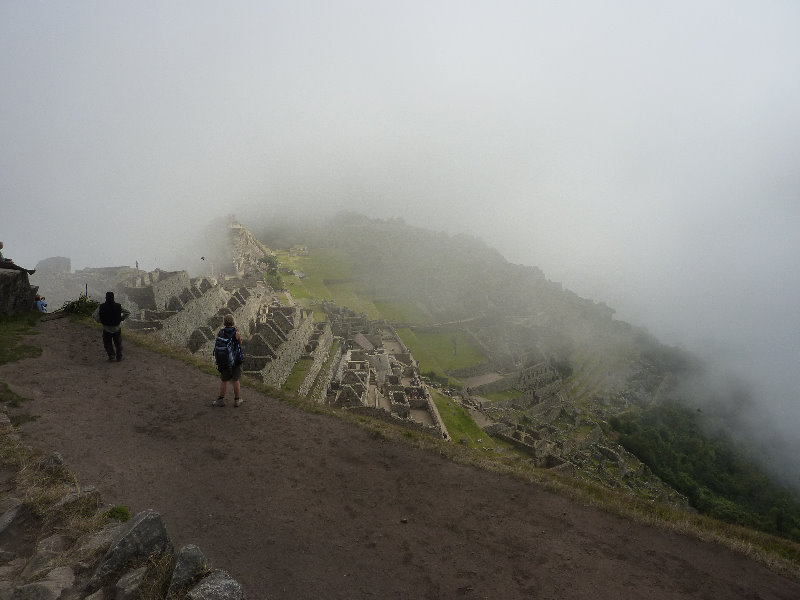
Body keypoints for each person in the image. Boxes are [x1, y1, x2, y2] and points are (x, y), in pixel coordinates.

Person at [214, 314, 244, 407]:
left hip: (224, 360)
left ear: (224, 322)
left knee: (224, 380)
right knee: (236, 380)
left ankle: (220, 400)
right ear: (233, 322)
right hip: (235, 360)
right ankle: (237, 400)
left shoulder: (220, 332)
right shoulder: (236, 333)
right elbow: (240, 343)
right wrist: (237, 333)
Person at [92, 291, 130, 362]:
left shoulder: (101, 306)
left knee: (107, 343)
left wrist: (100, 321)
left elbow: (94, 315)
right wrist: (121, 318)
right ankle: (119, 357)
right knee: (118, 343)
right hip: (117, 328)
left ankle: (111, 355)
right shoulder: (118, 306)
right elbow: (127, 313)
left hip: (106, 328)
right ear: (113, 298)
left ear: (106, 298)